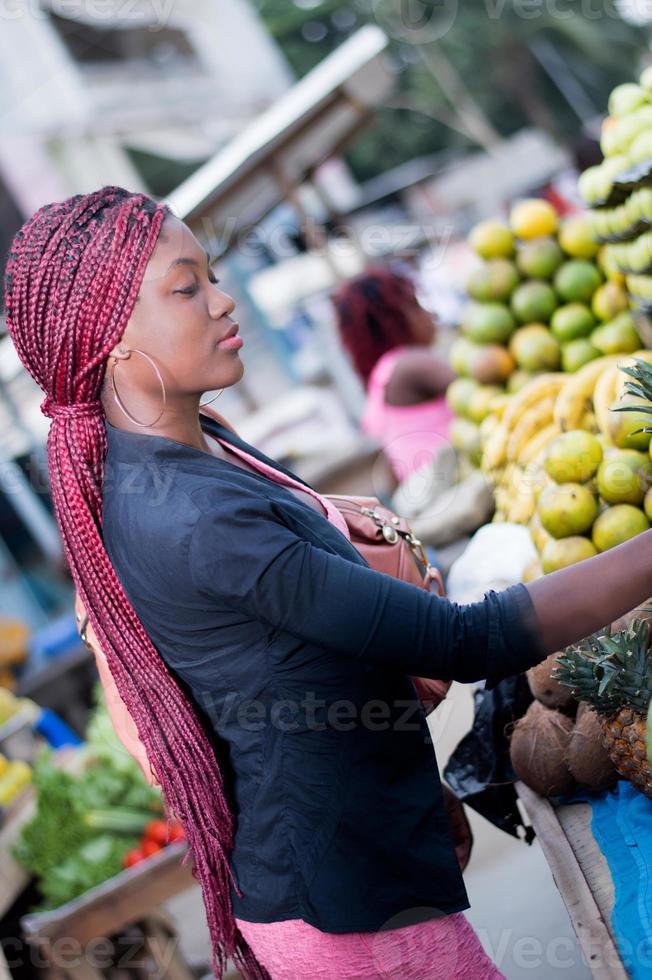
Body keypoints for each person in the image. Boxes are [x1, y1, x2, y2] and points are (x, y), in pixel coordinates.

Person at [4, 186, 651, 980]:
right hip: (343, 917)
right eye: (187, 287)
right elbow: (467, 640)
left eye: (212, 275)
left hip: (350, 860)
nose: (224, 299)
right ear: (110, 342)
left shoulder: (199, 444)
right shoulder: (193, 515)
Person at [333, 264, 456, 485]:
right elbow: (484, 386)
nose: (432, 315)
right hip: (453, 481)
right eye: (416, 306)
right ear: (391, 320)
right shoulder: (411, 365)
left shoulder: (380, 378)